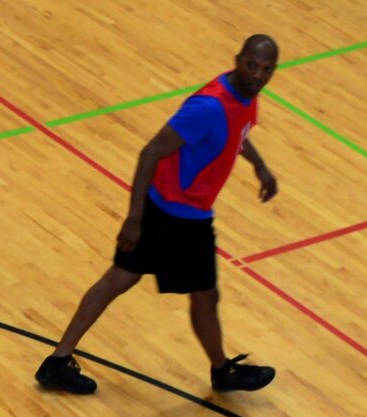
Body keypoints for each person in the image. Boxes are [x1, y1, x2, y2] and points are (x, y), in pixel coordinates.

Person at [36, 34, 282, 397]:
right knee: (204, 295)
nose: (258, 74)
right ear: (237, 59)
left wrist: (259, 166)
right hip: (180, 216)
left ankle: (57, 362)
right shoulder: (210, 106)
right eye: (251, 65)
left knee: (120, 281)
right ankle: (222, 371)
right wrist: (134, 218)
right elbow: (150, 153)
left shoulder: (244, 96)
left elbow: (236, 135)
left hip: (172, 210)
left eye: (266, 69)